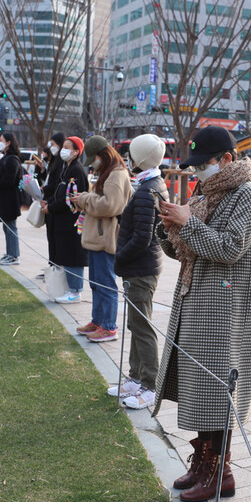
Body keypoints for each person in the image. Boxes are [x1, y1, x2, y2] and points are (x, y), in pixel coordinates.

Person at [153, 126, 251, 502]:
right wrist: (169, 231)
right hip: (195, 299)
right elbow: (190, 250)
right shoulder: (206, 193)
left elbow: (230, 248)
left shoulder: (247, 195)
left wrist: (187, 223)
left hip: (225, 310)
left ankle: (220, 471)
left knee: (217, 392)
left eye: (204, 165)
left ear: (227, 160)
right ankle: (204, 464)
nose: (198, 172)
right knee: (200, 389)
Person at [107, 134, 167, 408]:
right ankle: (135, 376)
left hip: (141, 269)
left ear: (139, 159)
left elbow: (142, 238)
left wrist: (119, 258)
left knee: (142, 327)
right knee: (135, 324)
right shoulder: (149, 184)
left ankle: (150, 385)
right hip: (141, 268)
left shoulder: (147, 190)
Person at [70, 136, 131, 341]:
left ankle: (108, 325)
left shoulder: (116, 174)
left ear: (101, 155)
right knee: (96, 282)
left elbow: (110, 205)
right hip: (98, 236)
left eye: (93, 159)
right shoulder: (110, 172)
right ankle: (98, 320)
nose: (93, 164)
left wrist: (85, 198)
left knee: (105, 283)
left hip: (106, 237)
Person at [43, 135, 88, 295]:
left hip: (71, 221)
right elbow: (58, 191)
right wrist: (47, 201)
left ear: (76, 152)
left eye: (68, 148)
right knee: (65, 254)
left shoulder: (76, 170)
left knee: (72, 255)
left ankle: (75, 290)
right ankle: (69, 289)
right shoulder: (66, 168)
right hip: (61, 221)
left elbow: (69, 199)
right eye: (64, 146)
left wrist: (51, 207)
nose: (63, 150)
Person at [0, 132, 27, 264]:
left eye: (2, 140)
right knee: (6, 227)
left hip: (10, 199)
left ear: (8, 142)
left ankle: (14, 255)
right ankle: (10, 253)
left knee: (11, 227)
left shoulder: (12, 159)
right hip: (4, 199)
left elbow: (8, 180)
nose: (0, 142)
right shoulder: (6, 158)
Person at [38, 132, 67, 279]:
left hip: (54, 203)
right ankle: (52, 265)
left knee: (55, 239)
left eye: (54, 144)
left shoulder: (62, 162)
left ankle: (55, 266)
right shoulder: (54, 161)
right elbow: (49, 180)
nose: (52, 147)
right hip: (49, 200)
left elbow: (56, 184)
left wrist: (47, 191)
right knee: (51, 238)